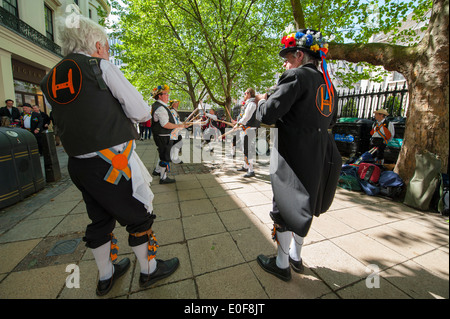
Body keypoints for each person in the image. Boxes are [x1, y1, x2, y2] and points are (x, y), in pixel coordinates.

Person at [39, 16, 179, 296]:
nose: (108, 51)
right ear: (98, 44)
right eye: (106, 47)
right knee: (138, 214)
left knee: (99, 218)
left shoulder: (48, 78)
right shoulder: (98, 66)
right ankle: (149, 271)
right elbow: (141, 111)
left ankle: (106, 277)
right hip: (112, 160)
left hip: (79, 164)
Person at [254, 27, 342, 281]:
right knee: (307, 203)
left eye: (289, 56)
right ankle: (296, 256)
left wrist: (262, 100)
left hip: (293, 155)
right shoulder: (329, 85)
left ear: (300, 56)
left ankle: (281, 265)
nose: (286, 62)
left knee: (283, 206)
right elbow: (331, 120)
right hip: (319, 153)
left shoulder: (296, 77)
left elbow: (267, 114)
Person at [151, 85, 187, 183]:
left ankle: (157, 171)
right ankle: (163, 178)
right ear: (160, 96)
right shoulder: (161, 108)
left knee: (163, 154)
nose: (168, 96)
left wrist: (181, 124)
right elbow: (165, 124)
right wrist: (179, 126)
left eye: (167, 94)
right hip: (163, 136)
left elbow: (170, 121)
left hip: (163, 136)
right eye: (166, 94)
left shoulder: (160, 106)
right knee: (165, 156)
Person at [233, 88, 260, 178]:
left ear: (249, 94)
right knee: (244, 149)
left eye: (245, 93)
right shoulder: (249, 103)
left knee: (248, 150)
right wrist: (237, 123)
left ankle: (251, 170)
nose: (244, 95)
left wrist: (238, 124)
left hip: (249, 130)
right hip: (245, 129)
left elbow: (246, 117)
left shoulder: (252, 103)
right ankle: (245, 166)